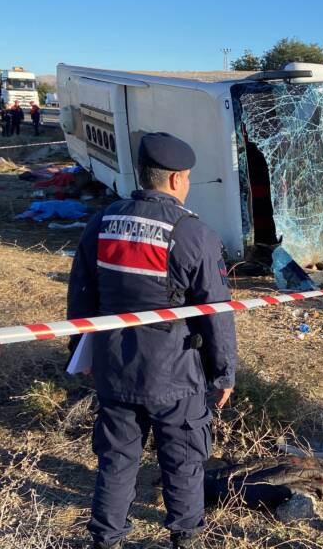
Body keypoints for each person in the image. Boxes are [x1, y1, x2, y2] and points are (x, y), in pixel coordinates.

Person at [67, 132, 237, 549]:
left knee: (116, 460)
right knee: (182, 459)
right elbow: (214, 313)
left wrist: (80, 353)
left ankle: (106, 539)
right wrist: (223, 372)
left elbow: (81, 294)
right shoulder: (192, 232)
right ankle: (186, 537)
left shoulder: (102, 222)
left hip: (114, 366)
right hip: (174, 373)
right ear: (177, 179)